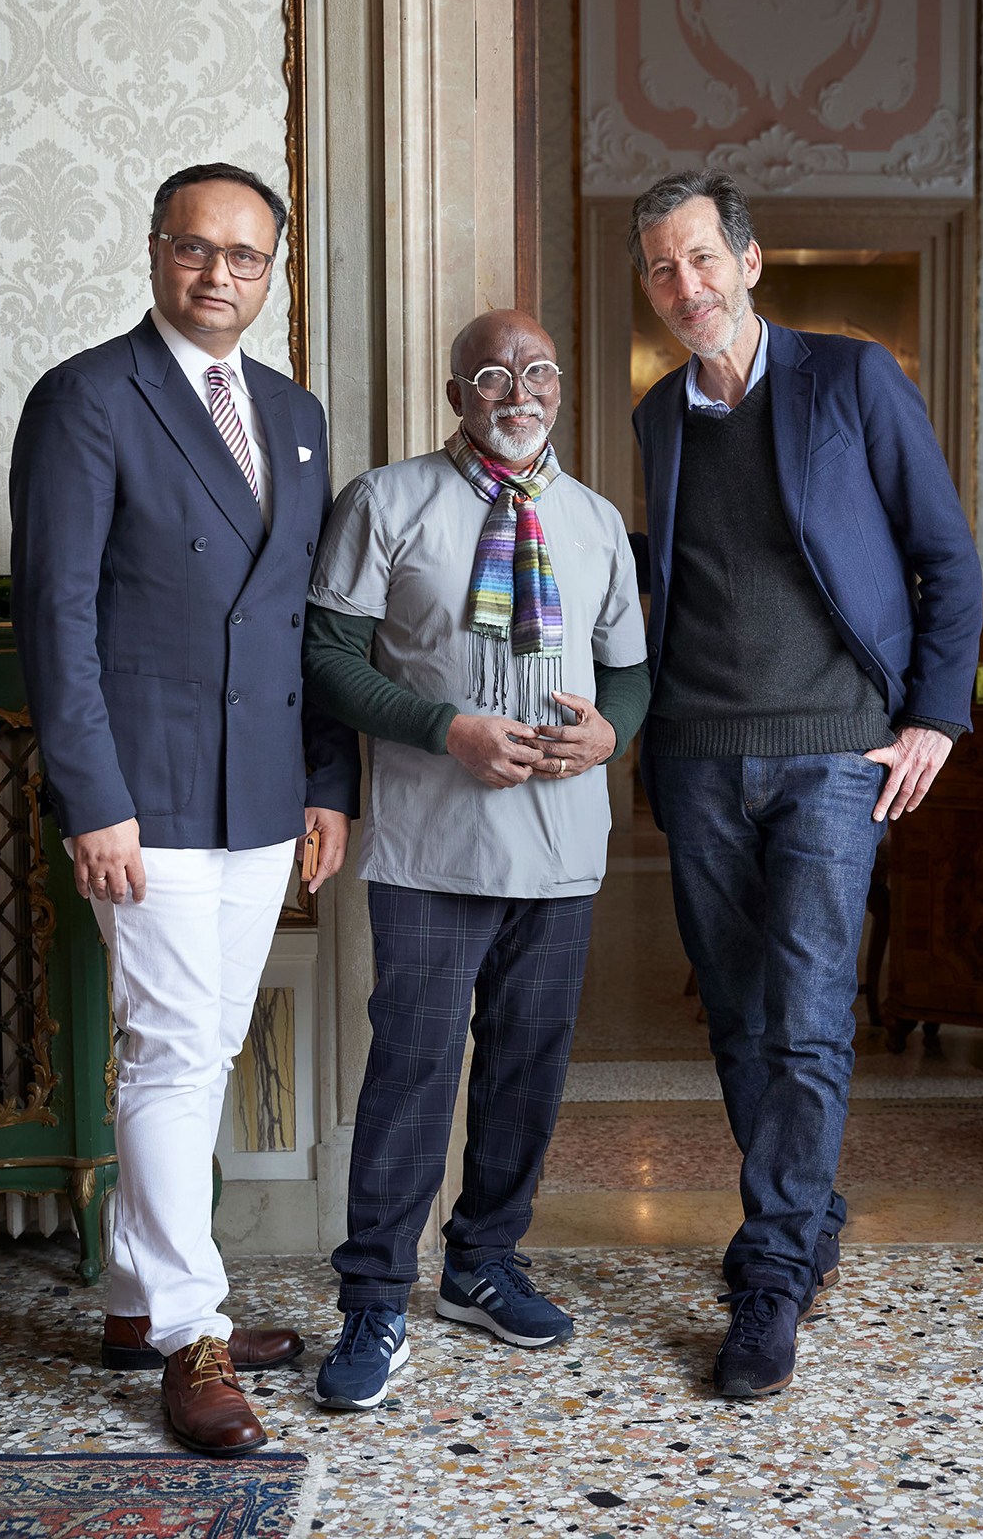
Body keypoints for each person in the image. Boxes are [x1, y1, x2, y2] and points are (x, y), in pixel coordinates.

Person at [10, 162, 361, 1457]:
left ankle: (132, 1300)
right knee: (169, 1052)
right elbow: (56, 617)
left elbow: (309, 619)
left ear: (274, 269)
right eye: (194, 248)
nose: (220, 274)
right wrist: (90, 795)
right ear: (156, 251)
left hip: (266, 791)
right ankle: (192, 1334)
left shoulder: (295, 412)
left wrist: (329, 778)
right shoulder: (89, 398)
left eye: (247, 256)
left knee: (206, 1047)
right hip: (143, 795)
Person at [629, 169, 982, 1400]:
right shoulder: (659, 417)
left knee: (811, 1009)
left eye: (702, 260)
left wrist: (936, 713)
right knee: (734, 1013)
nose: (686, 287)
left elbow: (945, 554)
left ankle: (774, 1274)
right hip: (697, 752)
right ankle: (805, 1209)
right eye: (662, 270)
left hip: (836, 747)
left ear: (750, 261)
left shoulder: (855, 379)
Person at [302, 310, 650, 1411]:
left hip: (562, 849)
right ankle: (373, 1303)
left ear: (561, 387)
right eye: (493, 374)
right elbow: (325, 657)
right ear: (458, 392)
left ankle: (484, 1265)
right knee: (412, 1071)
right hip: (429, 848)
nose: (520, 391)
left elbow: (632, 672)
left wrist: (611, 735)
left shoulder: (595, 522)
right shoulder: (384, 502)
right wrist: (444, 727)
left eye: (539, 370)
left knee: (527, 1071)